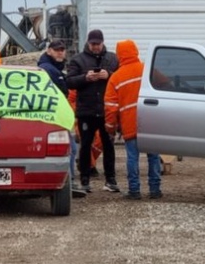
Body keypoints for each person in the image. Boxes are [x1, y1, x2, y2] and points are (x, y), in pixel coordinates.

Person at [105, 39, 162, 200]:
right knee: (153, 156)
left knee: (132, 158)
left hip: (130, 125)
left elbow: (110, 107)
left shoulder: (115, 78)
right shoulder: (147, 69)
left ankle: (134, 190)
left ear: (119, 56)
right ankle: (155, 190)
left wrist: (111, 128)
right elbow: (166, 84)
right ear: (135, 51)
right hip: (150, 122)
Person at [66, 29, 120, 193]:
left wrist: (109, 75)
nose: (95, 47)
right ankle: (85, 180)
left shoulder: (112, 59)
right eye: (93, 44)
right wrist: (85, 78)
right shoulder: (77, 60)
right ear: (88, 43)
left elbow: (120, 77)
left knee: (109, 146)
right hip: (86, 112)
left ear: (103, 43)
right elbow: (69, 81)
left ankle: (110, 180)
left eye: (98, 44)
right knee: (85, 146)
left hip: (106, 111)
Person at [38, 39, 86, 198]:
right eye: (56, 49)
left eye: (62, 50)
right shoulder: (48, 69)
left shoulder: (53, 68)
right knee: (70, 149)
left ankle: (68, 181)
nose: (60, 52)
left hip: (57, 115)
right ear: (49, 50)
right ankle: (68, 182)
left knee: (70, 148)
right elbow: (63, 91)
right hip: (55, 116)